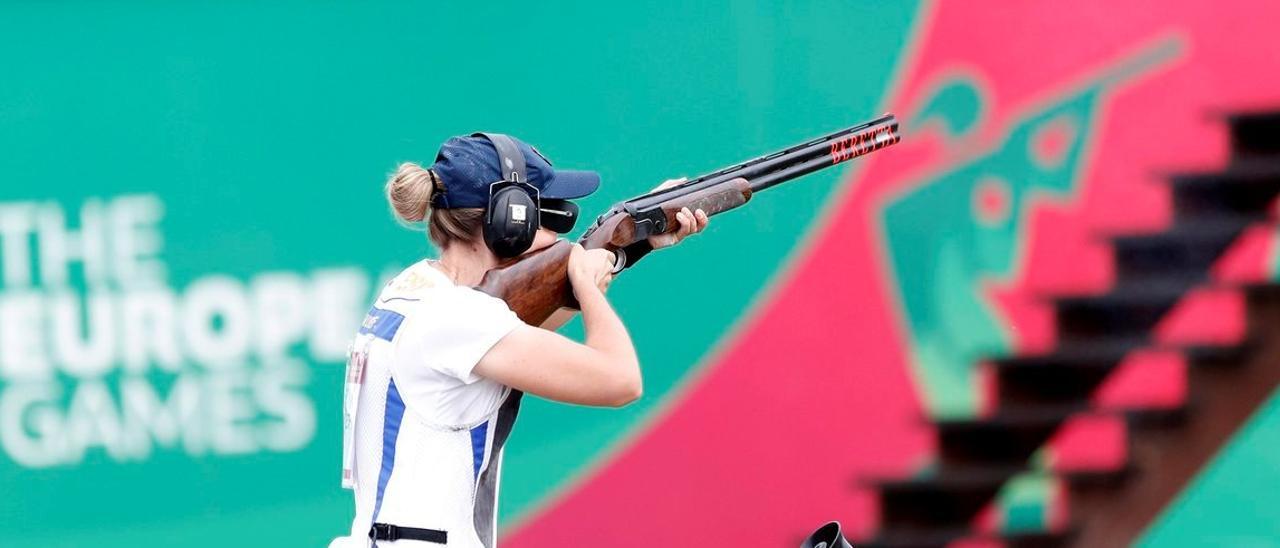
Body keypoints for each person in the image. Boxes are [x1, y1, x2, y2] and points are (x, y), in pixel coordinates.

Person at [330, 133, 708, 547]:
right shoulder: (457, 316)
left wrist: (632, 244)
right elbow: (621, 380)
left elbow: (527, 332)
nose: (560, 234)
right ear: (512, 219)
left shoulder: (415, 291)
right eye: (551, 215)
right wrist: (587, 286)